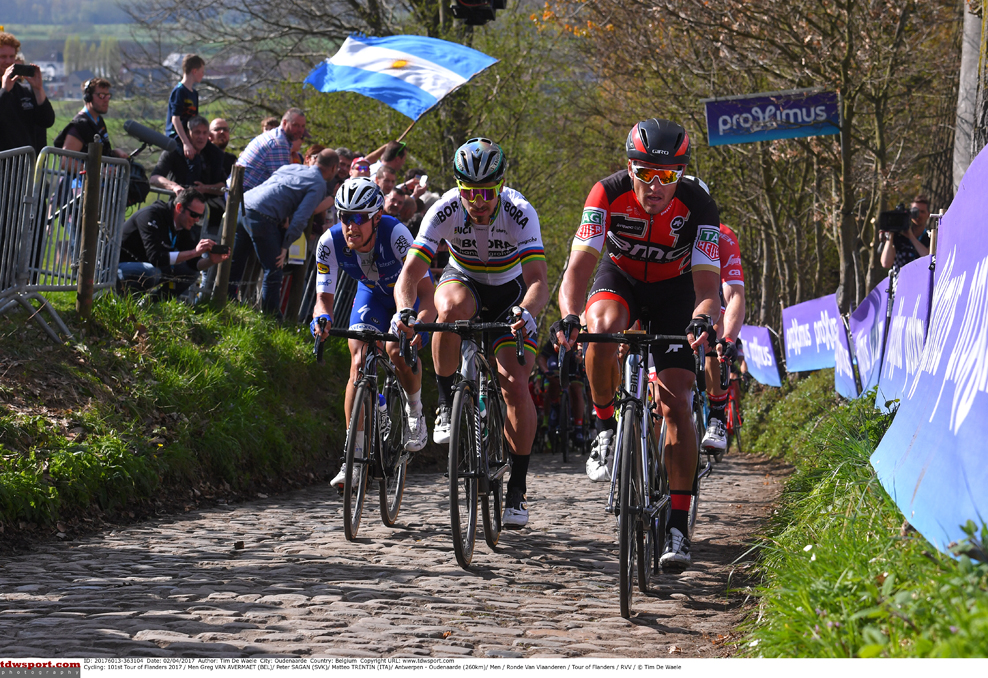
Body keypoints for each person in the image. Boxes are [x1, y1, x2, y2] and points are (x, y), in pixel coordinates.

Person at [555, 118, 720, 573]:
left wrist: (704, 317)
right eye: (646, 172)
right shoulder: (605, 194)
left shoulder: (699, 205)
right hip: (621, 279)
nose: (656, 186)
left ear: (681, 174)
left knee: (677, 402)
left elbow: (708, 283)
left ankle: (679, 525)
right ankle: (606, 429)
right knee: (602, 328)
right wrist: (570, 315)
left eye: (668, 176)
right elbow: (577, 269)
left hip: (676, 293)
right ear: (630, 168)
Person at [392, 138, 548, 530]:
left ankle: (518, 486)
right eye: (469, 193)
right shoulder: (443, 208)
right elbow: (409, 275)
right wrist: (405, 311)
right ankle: (446, 403)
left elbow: (538, 283)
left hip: (512, 292)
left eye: (486, 193)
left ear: (502, 185)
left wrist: (527, 313)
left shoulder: (520, 211)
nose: (477, 202)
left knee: (515, 383)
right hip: (465, 281)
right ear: (457, 187)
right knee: (448, 309)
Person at [311, 178, 437, 487]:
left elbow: (428, 293)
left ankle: (414, 411)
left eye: (358, 218)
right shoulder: (329, 243)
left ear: (376, 217)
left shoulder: (396, 235)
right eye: (344, 217)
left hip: (406, 298)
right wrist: (322, 320)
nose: (350, 226)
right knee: (358, 362)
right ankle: (353, 460)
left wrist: (419, 322)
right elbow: (322, 300)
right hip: (370, 297)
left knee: (396, 351)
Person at [231, 149, 336, 315]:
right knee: (273, 268)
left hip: (245, 204)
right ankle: (270, 318)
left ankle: (225, 301)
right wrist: (286, 244)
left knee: (236, 260)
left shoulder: (292, 167)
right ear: (333, 168)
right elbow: (302, 217)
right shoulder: (318, 183)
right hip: (262, 215)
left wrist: (285, 213)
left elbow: (277, 187)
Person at [117, 188, 228, 297]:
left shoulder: (182, 226)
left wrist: (211, 261)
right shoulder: (151, 215)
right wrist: (194, 252)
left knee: (189, 273)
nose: (197, 220)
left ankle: (152, 305)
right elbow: (155, 257)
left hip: (149, 266)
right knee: (153, 272)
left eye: (200, 216)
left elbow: (193, 263)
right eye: (194, 215)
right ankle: (126, 303)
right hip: (119, 266)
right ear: (179, 207)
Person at [0, 31, 55, 155]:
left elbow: (46, 121)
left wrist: (38, 89)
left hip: (24, 168)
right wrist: (4, 91)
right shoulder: (4, 91)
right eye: (3, 57)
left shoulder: (24, 91)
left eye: (11, 56)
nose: (8, 61)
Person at [53, 78, 128, 158]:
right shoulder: (80, 125)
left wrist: (114, 152)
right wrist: (99, 170)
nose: (106, 100)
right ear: (88, 97)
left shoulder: (99, 121)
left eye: (108, 95)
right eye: (101, 95)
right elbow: (66, 161)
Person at [236, 107, 306, 192]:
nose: (300, 130)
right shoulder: (279, 143)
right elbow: (283, 183)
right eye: (296, 125)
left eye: (303, 126)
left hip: (242, 192)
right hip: (243, 197)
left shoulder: (277, 136)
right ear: (284, 123)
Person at [536, 339, 587, 445]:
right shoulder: (555, 337)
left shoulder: (578, 337)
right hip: (558, 364)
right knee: (553, 381)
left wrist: (581, 362)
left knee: (576, 389)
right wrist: (545, 371)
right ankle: (554, 407)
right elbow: (541, 358)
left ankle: (578, 427)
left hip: (574, 366)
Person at [165, 54, 205, 161]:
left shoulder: (194, 94)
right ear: (194, 71)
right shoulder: (179, 91)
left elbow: (195, 120)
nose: (203, 74)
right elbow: (175, 119)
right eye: (202, 71)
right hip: (177, 138)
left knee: (215, 154)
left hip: (190, 137)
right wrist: (186, 143)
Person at [880, 195, 931, 270]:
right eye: (915, 211)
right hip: (900, 280)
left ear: (928, 214)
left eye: (922, 212)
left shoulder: (930, 237)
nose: (918, 215)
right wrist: (890, 237)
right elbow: (885, 263)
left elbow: (929, 260)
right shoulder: (898, 236)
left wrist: (911, 237)